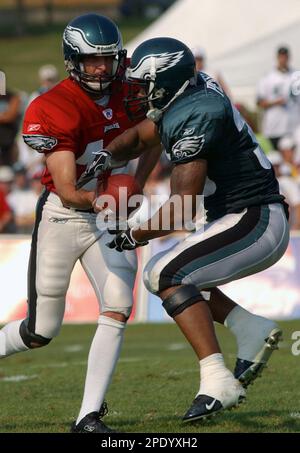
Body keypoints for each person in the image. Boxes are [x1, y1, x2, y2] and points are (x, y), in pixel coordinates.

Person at [92, 37, 290, 422]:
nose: (135, 92)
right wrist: (108, 154)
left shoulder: (197, 113)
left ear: (165, 81)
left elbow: (182, 208)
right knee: (167, 275)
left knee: (164, 272)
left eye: (142, 84)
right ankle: (249, 328)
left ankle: (217, 379)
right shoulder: (188, 93)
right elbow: (142, 136)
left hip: (255, 217)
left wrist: (135, 234)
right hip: (240, 214)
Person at [0, 13, 161, 433]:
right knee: (41, 330)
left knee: (119, 305)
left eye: (107, 60)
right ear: (73, 59)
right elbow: (71, 190)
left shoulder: (132, 91)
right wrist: (112, 198)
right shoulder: (52, 105)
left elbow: (155, 134)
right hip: (64, 214)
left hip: (107, 220)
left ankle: (88, 417)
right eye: (91, 60)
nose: (101, 69)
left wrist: (138, 183)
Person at [257, 46, 296, 150]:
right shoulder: (268, 78)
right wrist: (275, 103)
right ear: (277, 58)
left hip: (294, 127)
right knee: (276, 160)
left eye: (285, 57)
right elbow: (260, 103)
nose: (283, 59)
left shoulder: (295, 76)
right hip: (274, 128)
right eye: (281, 57)